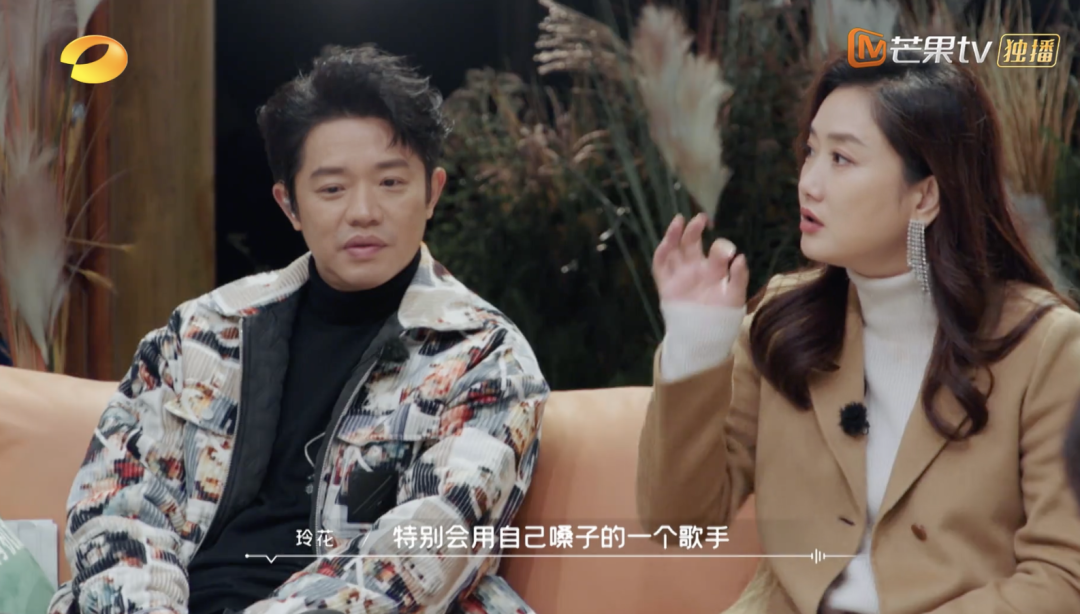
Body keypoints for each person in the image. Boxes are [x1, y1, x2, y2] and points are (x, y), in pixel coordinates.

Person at [48, 45, 549, 614]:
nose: (363, 211)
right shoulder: (204, 331)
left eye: (391, 182)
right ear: (289, 205)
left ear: (432, 192)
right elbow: (116, 502)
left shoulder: (485, 357)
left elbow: (422, 554)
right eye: (332, 189)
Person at [637, 53, 1080, 614]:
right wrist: (695, 344)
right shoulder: (782, 321)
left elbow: (1063, 577)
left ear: (925, 196)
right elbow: (679, 524)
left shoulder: (1046, 347)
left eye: (842, 158)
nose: (809, 183)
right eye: (810, 152)